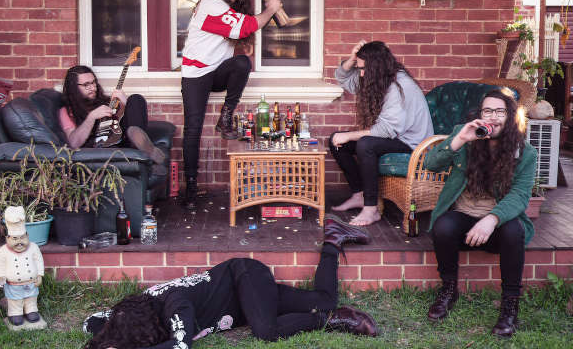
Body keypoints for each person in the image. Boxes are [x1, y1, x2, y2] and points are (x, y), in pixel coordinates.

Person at [83, 215, 377, 348]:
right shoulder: (134, 311)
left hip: (244, 277)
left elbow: (180, 346)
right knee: (324, 298)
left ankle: (329, 321)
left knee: (266, 331)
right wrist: (108, 342)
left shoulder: (175, 306)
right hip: (248, 301)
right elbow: (91, 322)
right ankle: (334, 238)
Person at [423, 89, 537, 337]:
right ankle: (449, 290)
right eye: (488, 111)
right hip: (463, 217)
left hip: (496, 223)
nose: (493, 117)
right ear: (479, 114)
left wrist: (491, 219)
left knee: (514, 231)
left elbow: (520, 195)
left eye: (500, 112)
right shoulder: (464, 135)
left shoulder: (525, 152)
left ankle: (509, 305)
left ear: (509, 117)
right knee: (443, 226)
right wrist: (459, 139)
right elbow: (431, 165)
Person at [180, 0, 282, 209]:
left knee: (242, 63)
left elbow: (236, 30)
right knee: (193, 128)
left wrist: (244, 42)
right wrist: (270, 9)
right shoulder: (211, 4)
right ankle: (191, 185)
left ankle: (225, 116)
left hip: (215, 71)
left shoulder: (227, 5)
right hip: (195, 73)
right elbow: (245, 26)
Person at [330, 41, 434, 226]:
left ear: (375, 67)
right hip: (395, 137)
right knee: (337, 142)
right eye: (359, 68)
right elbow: (343, 79)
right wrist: (352, 59)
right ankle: (359, 195)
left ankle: (371, 210)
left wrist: (349, 135)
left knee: (366, 144)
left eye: (363, 69)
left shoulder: (400, 86)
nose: (361, 74)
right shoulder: (377, 78)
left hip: (412, 144)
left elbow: (386, 130)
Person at [59, 65, 166, 172]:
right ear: (73, 87)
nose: (93, 88)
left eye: (93, 82)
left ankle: (141, 143)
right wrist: (92, 117)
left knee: (136, 99)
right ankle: (148, 154)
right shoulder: (67, 111)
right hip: (101, 146)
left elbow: (119, 120)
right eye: (86, 85)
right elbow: (73, 143)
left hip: (121, 138)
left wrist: (126, 105)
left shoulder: (105, 102)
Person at [0, 206, 45, 327]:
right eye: (15, 239)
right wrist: (1, 276)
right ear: (7, 238)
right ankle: (15, 313)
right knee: (15, 301)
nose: (19, 242)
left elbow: (39, 262)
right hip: (13, 286)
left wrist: (40, 275)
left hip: (31, 283)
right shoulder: (3, 251)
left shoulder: (33, 248)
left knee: (31, 298)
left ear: (27, 236)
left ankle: (31, 310)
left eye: (22, 238)